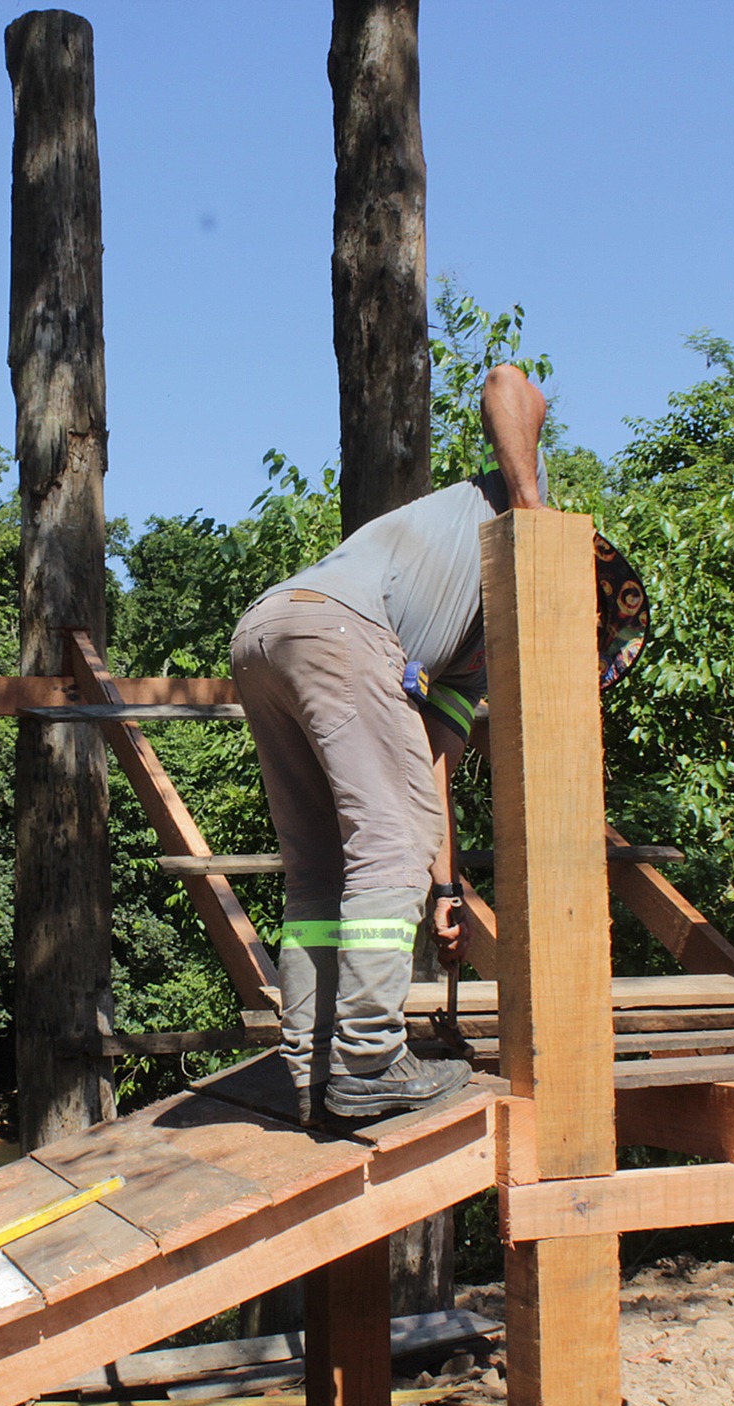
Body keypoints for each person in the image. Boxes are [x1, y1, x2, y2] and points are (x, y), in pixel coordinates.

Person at [231, 364, 547, 1124]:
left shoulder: (466, 652)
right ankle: (369, 1058)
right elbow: (509, 382)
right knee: (384, 842)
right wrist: (536, 514)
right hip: (341, 631)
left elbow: (429, 773)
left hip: (266, 633)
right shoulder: (521, 510)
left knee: (324, 865)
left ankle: (312, 1067)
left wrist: (444, 891)